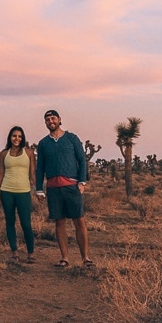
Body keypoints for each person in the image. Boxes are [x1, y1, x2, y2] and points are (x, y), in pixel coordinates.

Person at [35, 109, 93, 268]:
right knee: (59, 222)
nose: (50, 121)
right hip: (53, 188)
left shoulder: (72, 138)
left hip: (72, 186)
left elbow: (82, 160)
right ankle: (65, 258)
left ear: (60, 119)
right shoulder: (43, 143)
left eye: (53, 118)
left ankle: (85, 257)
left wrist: (82, 182)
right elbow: (40, 167)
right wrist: (39, 189)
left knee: (79, 221)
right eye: (47, 120)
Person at [0, 125, 37, 263]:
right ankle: (15, 252)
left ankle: (30, 253)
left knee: (26, 224)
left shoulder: (29, 153)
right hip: (6, 191)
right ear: (10, 137)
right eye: (14, 136)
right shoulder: (4, 153)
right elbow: (1, 172)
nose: (16, 138)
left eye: (19, 136)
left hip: (23, 192)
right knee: (10, 222)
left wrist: (39, 190)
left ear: (22, 137)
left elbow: (32, 173)